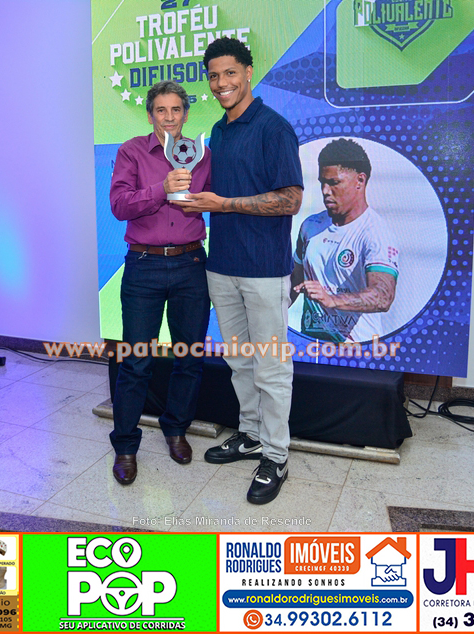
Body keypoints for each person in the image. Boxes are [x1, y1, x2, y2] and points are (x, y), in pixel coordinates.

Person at [176, 37, 303, 504]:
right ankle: (250, 434)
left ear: (248, 72)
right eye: (213, 76)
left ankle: (277, 455)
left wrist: (223, 204)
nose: (221, 83)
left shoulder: (274, 128)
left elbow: (291, 199)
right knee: (239, 361)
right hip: (222, 265)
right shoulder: (218, 130)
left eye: (230, 73)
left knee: (271, 367)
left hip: (264, 270)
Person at [108, 80, 211, 485]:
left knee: (189, 357)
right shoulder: (132, 151)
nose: (169, 117)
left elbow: (216, 200)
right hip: (144, 265)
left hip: (191, 264)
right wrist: (161, 189)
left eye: (176, 110)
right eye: (161, 110)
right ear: (150, 114)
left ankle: (176, 429)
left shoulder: (202, 155)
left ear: (186, 113)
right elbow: (119, 205)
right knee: (136, 361)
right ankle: (125, 447)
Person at [291, 138, 398, 343]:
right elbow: (294, 282)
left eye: (334, 183)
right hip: (311, 345)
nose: (325, 191)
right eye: (322, 183)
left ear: (360, 180)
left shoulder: (376, 233)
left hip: (356, 349)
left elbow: (383, 296)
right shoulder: (310, 226)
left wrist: (332, 300)